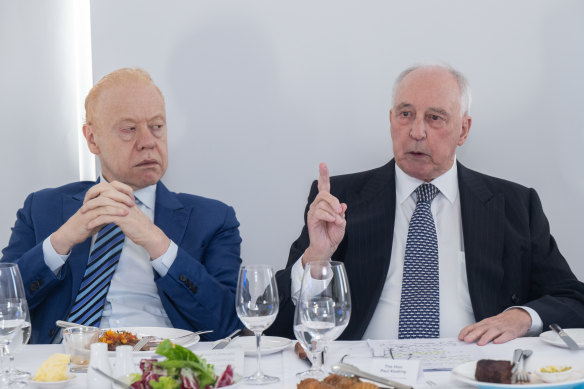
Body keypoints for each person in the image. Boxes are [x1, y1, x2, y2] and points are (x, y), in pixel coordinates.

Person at [268, 63, 584, 344]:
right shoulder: (340, 199)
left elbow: (572, 299)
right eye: (406, 114)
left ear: (463, 129)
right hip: (362, 375)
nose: (417, 131)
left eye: (435, 118)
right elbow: (277, 326)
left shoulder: (514, 205)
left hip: (474, 371)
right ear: (391, 120)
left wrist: (521, 318)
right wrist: (317, 258)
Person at [1, 68, 242, 344]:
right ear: (92, 139)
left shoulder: (213, 218)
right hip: (64, 367)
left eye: (157, 126)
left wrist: (159, 245)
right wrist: (61, 242)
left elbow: (229, 326)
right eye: (129, 130)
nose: (148, 142)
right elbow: (3, 306)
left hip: (159, 367)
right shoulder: (42, 208)